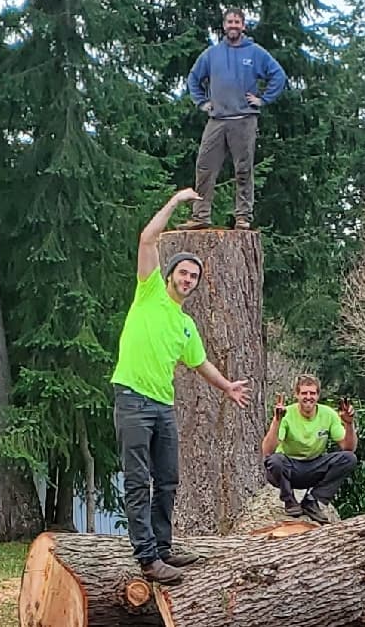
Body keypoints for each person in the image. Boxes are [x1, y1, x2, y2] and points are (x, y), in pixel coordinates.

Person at [111, 187, 252, 584]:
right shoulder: (149, 292)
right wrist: (174, 204)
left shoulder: (186, 325)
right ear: (170, 274)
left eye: (194, 277)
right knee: (139, 480)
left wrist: (226, 387)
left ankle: (164, 547)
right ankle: (147, 559)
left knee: (168, 479)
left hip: (162, 406)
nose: (187, 280)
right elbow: (147, 237)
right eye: (184, 273)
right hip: (133, 399)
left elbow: (200, 362)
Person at [179, 8, 288, 231]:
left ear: (243, 26)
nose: (233, 26)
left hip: (244, 119)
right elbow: (193, 78)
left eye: (237, 22)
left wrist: (263, 99)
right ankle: (200, 216)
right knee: (205, 166)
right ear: (224, 25)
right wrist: (202, 102)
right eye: (230, 22)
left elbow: (278, 75)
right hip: (217, 119)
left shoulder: (255, 53)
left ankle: (243, 217)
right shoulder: (212, 54)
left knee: (243, 169)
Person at [260, 374, 357, 525]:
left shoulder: (328, 414)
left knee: (349, 458)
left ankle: (313, 500)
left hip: (314, 467)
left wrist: (349, 424)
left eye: (312, 393)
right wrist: (276, 421)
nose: (308, 397)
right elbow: (267, 451)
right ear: (297, 395)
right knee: (274, 460)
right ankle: (289, 500)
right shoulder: (287, 414)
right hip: (288, 469)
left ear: (318, 395)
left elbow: (348, 447)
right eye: (304, 393)